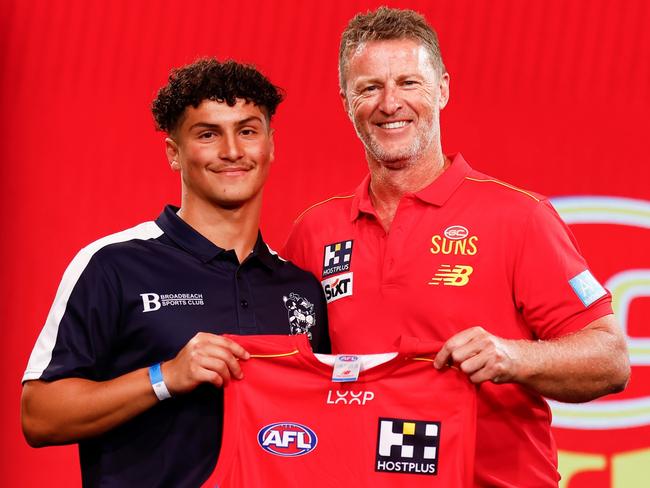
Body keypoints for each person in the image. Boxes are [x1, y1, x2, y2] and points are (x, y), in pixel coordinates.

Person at [282, 7, 630, 487]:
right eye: (369, 88)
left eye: (409, 82)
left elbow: (610, 361)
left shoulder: (520, 217)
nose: (390, 103)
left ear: (442, 88)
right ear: (345, 101)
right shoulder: (313, 231)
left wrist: (513, 357)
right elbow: (290, 374)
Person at [21, 58, 329, 487]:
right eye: (208, 134)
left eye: (247, 131)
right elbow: (38, 415)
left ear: (270, 145)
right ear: (173, 152)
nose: (232, 151)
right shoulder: (113, 265)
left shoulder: (301, 288)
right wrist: (164, 376)